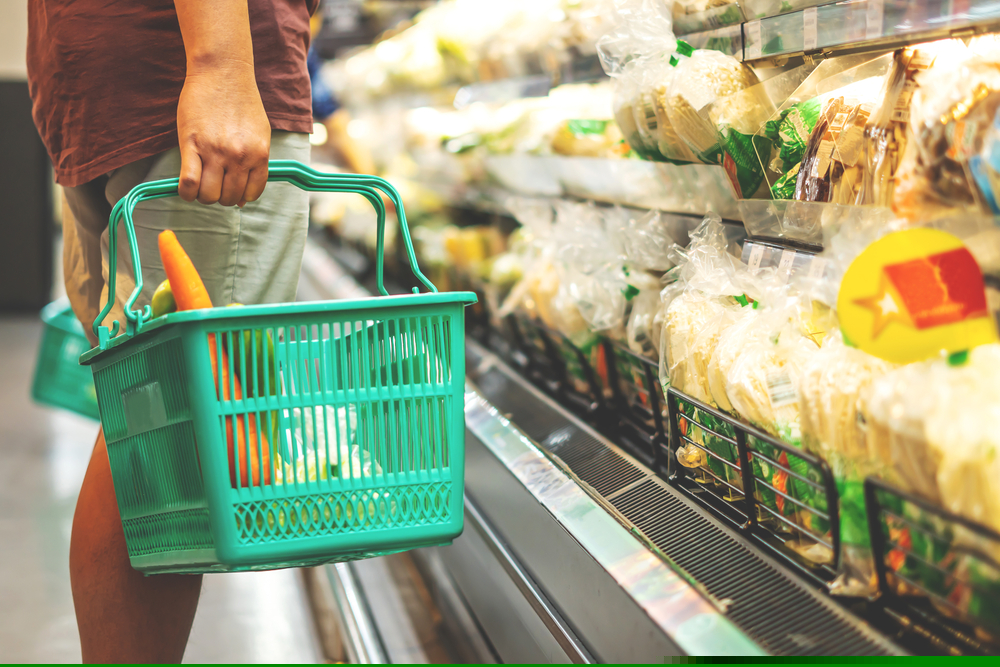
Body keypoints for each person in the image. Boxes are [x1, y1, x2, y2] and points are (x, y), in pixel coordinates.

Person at [26, 1, 318, 662]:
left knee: (143, 412)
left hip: (100, 68)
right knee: (176, 431)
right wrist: (220, 67)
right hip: (190, 63)